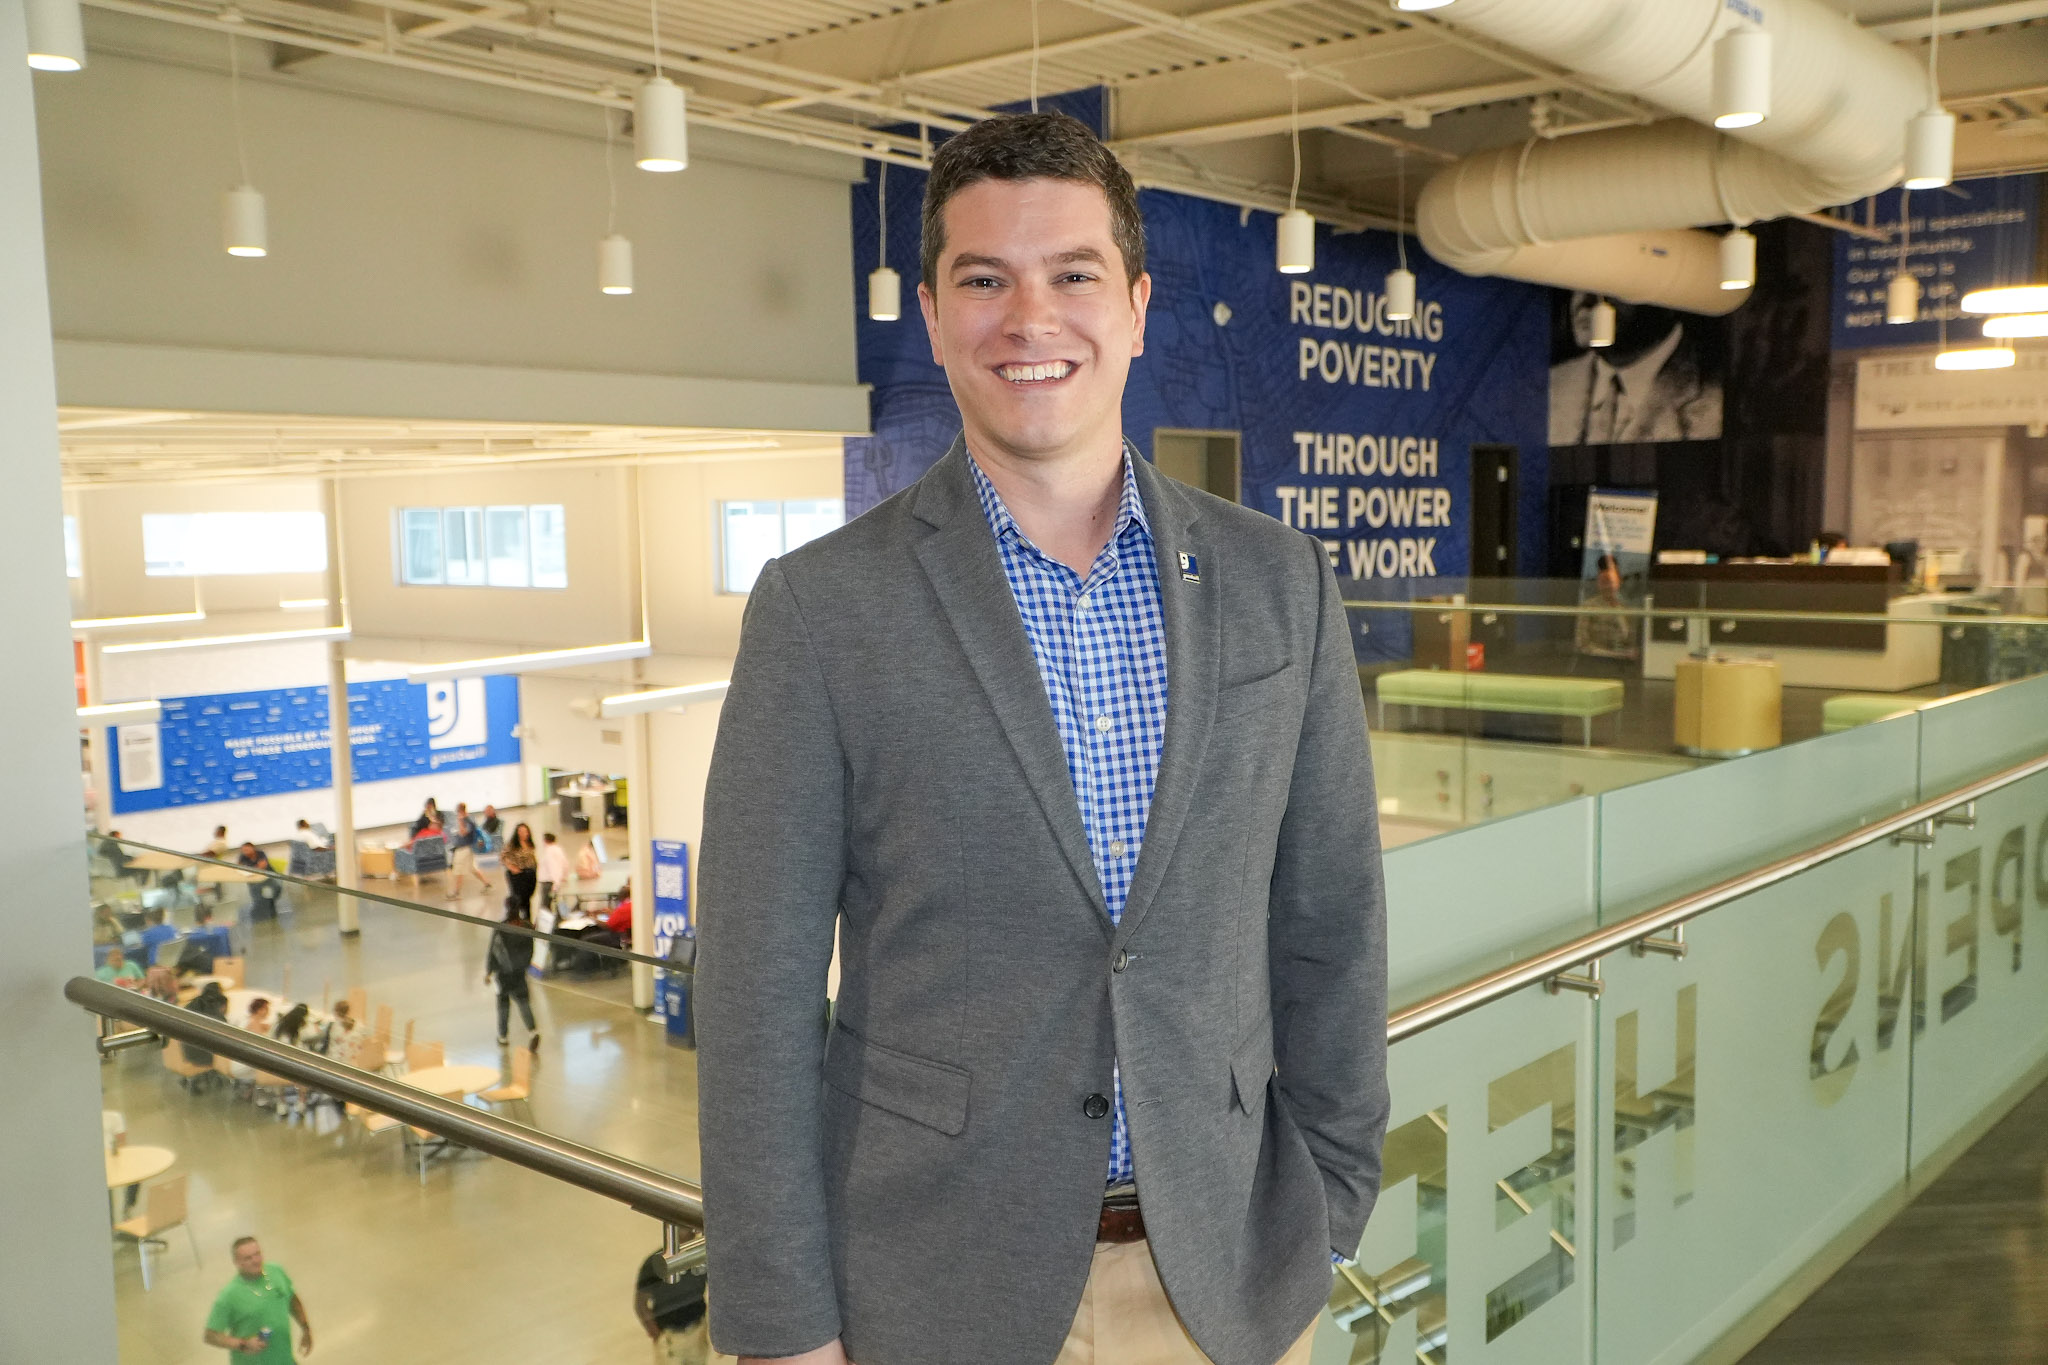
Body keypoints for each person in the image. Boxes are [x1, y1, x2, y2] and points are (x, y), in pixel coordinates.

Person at [695, 112, 1388, 1365]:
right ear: (932, 311)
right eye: (984, 280)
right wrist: (782, 1321)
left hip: (1228, 1280)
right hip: (930, 1288)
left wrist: (1331, 1203)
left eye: (1071, 275)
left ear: (1133, 304)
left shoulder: (1278, 583)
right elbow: (754, 998)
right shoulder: (820, 609)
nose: (1030, 319)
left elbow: (1330, 917)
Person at [1549, 292, 1723, 446]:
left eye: (1610, 282)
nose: (1584, 300)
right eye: (1575, 283)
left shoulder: (1719, 394)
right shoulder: (1548, 386)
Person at [203, 1236, 313, 1361]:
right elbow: (210, 1336)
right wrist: (243, 1344)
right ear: (237, 1262)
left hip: (283, 1358)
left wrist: (305, 1328)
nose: (255, 1261)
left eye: (257, 1254)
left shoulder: (276, 1271)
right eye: (248, 1258)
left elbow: (292, 1300)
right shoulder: (229, 1295)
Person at [636, 1250, 728, 1365]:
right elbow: (640, 1304)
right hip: (669, 1336)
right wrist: (658, 1335)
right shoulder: (656, 1263)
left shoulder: (698, 1257)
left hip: (697, 1332)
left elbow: (719, 1293)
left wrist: (722, 1333)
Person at [484, 901, 540, 1049]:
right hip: (519, 972)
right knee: (523, 1002)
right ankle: (533, 1031)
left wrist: (489, 971)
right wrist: (524, 965)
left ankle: (503, 1036)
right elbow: (531, 950)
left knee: (503, 1005)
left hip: (503, 974)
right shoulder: (526, 927)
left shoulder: (501, 928)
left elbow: (493, 950)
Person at [444, 812, 491, 901]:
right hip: (463, 849)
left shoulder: (467, 822)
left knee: (459, 870)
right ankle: (487, 883)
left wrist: (460, 824)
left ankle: (456, 893)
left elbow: (463, 833)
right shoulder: (467, 821)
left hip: (464, 849)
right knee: (472, 868)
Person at [238, 842, 285, 922]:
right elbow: (239, 868)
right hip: (253, 879)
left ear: (253, 848)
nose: (245, 852)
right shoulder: (242, 857)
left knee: (277, 887)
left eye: (247, 849)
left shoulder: (260, 853)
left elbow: (262, 866)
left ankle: (271, 903)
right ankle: (260, 911)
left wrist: (250, 869)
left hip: (268, 876)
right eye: (243, 850)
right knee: (256, 894)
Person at [501, 823, 538, 918]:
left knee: (527, 899)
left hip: (529, 874)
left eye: (525, 831)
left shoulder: (529, 844)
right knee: (518, 899)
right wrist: (511, 867)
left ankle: (527, 920)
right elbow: (503, 856)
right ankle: (516, 919)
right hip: (518, 875)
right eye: (521, 831)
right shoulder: (512, 845)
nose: (523, 833)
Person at [537, 831, 569, 912]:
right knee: (556, 903)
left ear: (545, 840)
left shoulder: (549, 852)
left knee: (545, 906)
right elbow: (565, 865)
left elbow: (553, 867)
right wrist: (563, 877)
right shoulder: (559, 850)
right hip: (557, 881)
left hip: (549, 882)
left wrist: (555, 882)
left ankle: (546, 923)